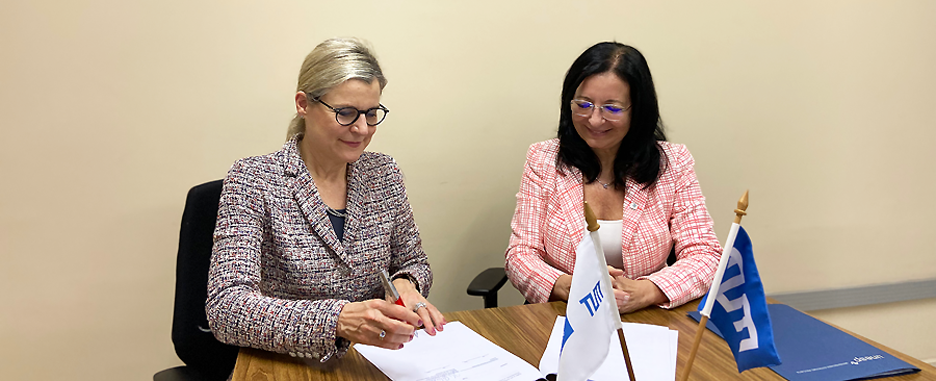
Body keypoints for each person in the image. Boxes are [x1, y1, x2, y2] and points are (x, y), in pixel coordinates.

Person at [207, 37, 445, 363]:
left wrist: (406, 285)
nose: (362, 129)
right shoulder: (254, 179)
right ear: (303, 104)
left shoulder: (384, 173)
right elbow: (226, 308)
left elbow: (413, 262)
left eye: (372, 113)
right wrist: (337, 320)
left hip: (376, 358)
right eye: (346, 113)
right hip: (288, 363)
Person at [504, 42, 722, 313]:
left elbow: (705, 254)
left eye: (612, 108)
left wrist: (647, 291)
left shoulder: (673, 163)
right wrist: (564, 285)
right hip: (562, 313)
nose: (595, 120)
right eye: (583, 105)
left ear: (638, 111)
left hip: (647, 316)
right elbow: (520, 254)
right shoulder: (544, 159)